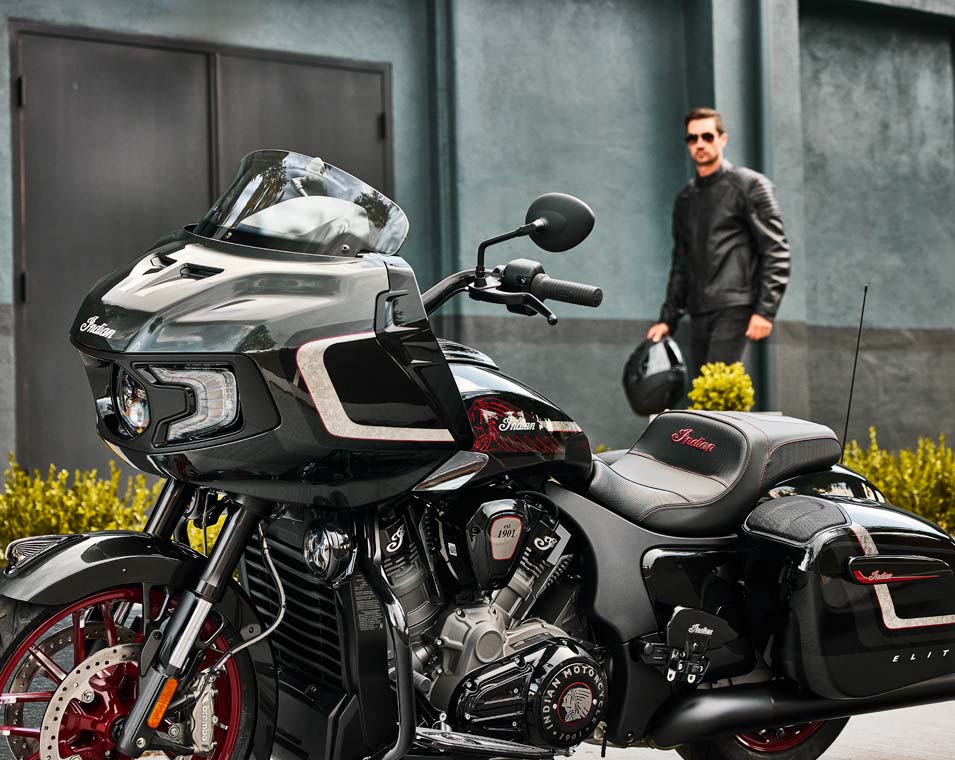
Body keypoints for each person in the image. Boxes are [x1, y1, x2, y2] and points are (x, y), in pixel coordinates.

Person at [646, 107, 790, 381]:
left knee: (717, 388)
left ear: (722, 139)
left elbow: (776, 250)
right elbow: (681, 263)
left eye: (707, 136)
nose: (700, 144)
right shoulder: (686, 199)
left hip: (735, 306)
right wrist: (667, 319)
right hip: (699, 311)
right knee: (703, 391)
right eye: (692, 138)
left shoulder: (750, 186)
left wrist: (765, 311)